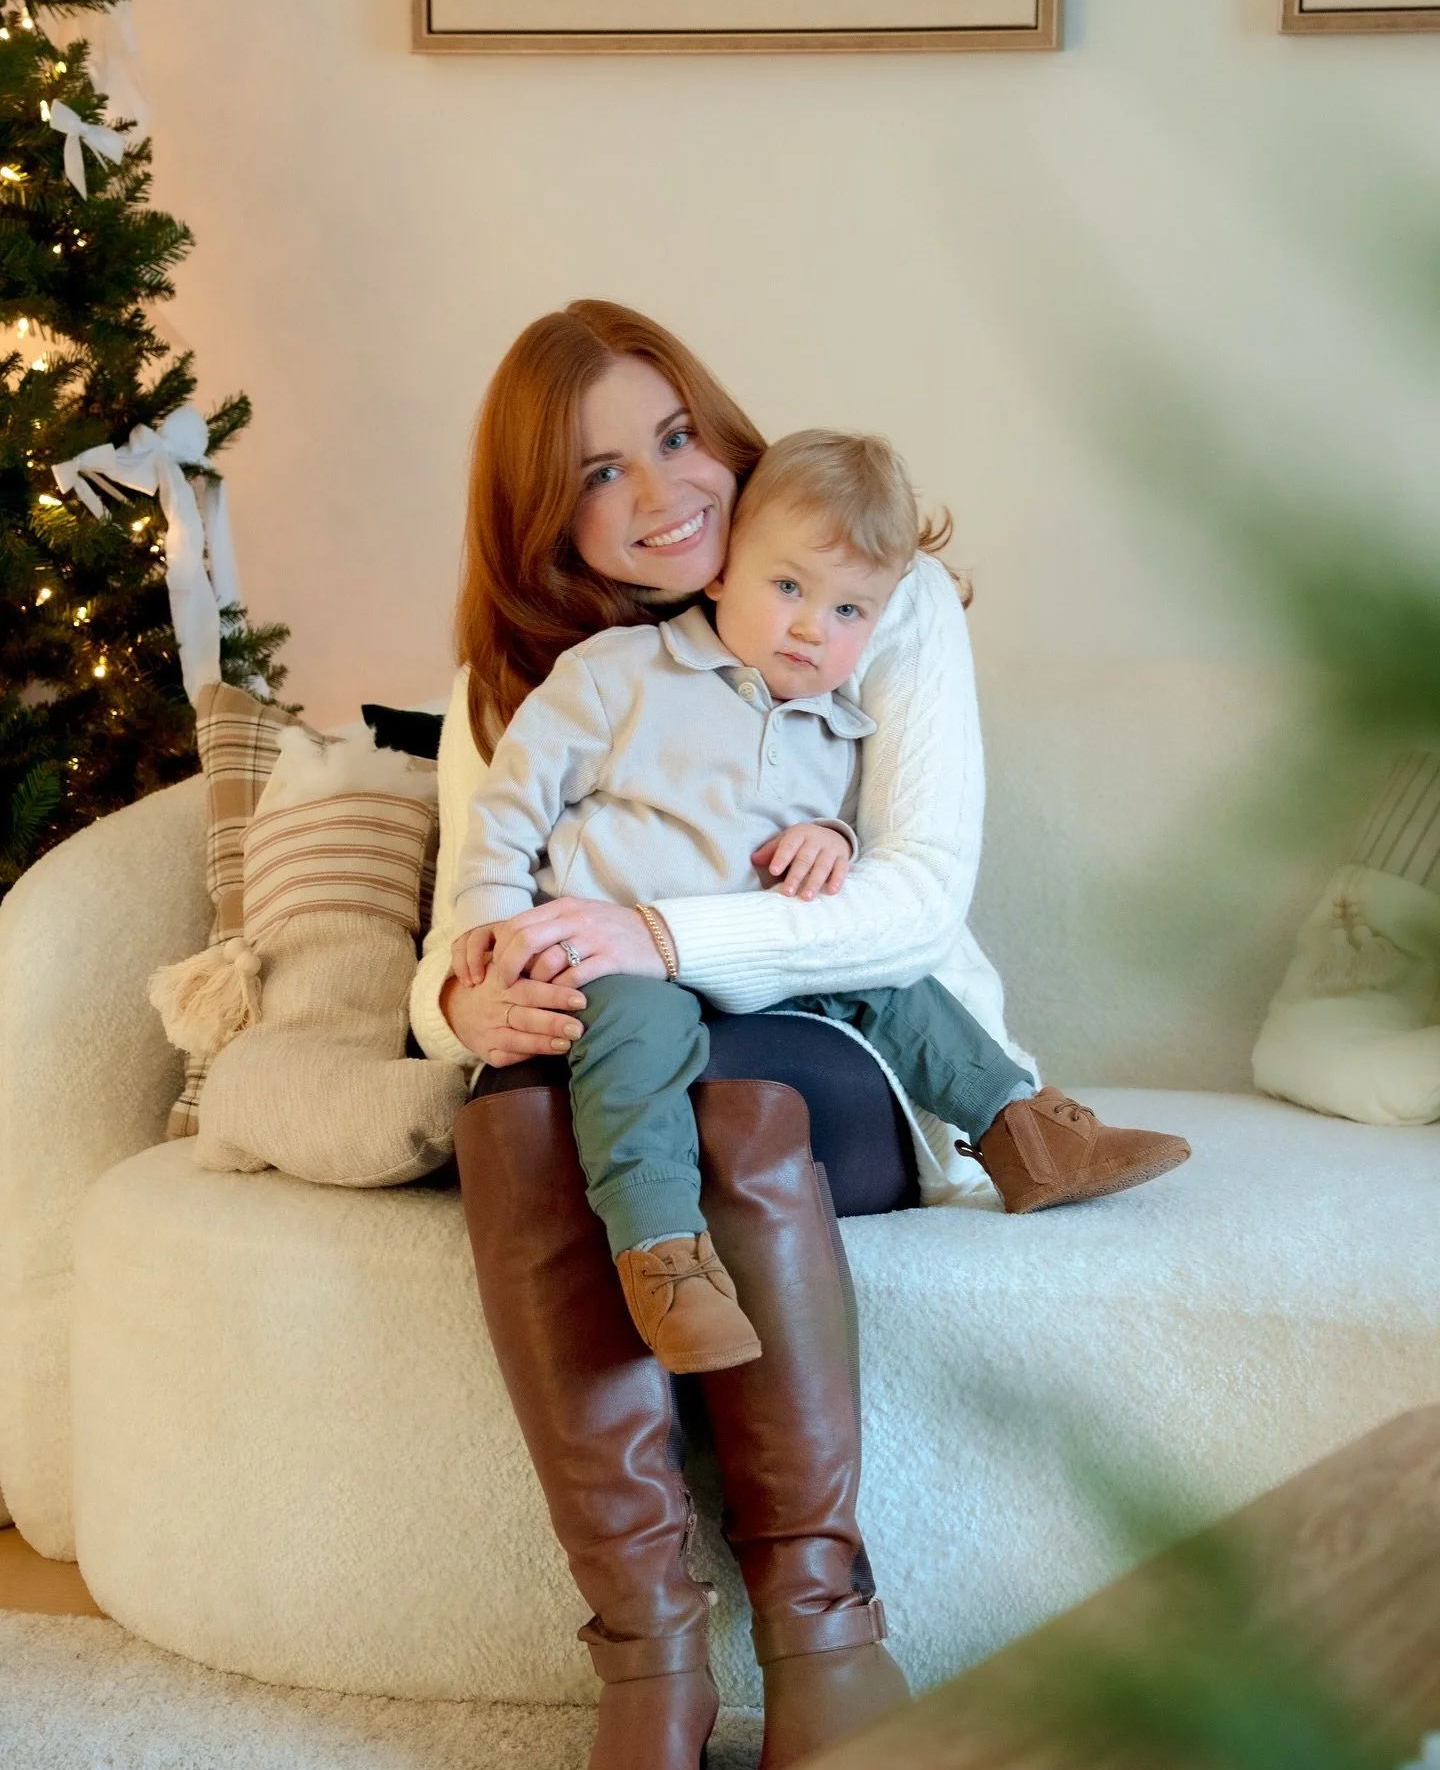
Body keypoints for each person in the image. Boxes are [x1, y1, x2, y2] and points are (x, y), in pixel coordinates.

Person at [408, 300, 1092, 1769]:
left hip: (835, 1037)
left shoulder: (872, 595)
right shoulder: (535, 678)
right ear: (545, 518)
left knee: (723, 1105)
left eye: (672, 438)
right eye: (599, 473)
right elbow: (466, 917)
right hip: (601, 1050)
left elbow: (917, 898)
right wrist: (466, 999)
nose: (661, 494)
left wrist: (662, 934)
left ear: (720, 427)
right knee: (511, 1113)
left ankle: (826, 1637)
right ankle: (651, 1658)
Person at [446, 429, 1189, 1379]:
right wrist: (489, 928)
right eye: (788, 588)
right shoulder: (618, 676)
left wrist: (832, 841)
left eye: (848, 611)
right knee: (635, 1054)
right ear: (719, 574)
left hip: (758, 972)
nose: (811, 628)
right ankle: (664, 1254)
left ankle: (1029, 1134)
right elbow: (509, 809)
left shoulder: (838, 723)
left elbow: (864, 860)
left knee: (904, 986)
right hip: (619, 964)